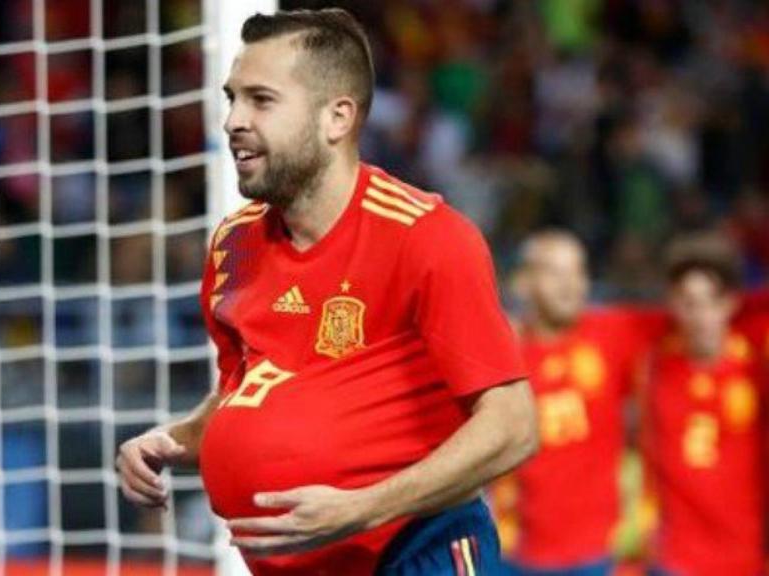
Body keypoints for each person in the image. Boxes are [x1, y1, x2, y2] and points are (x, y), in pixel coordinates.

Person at [116, 8, 537, 575]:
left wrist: (363, 509)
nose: (234, 120)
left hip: (414, 552)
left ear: (337, 117)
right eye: (232, 98)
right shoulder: (233, 245)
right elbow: (251, 389)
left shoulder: (428, 237)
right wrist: (172, 439)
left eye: (261, 101)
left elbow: (512, 427)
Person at [493, 231, 665, 576]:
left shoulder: (613, 332)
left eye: (579, 272)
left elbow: (712, 312)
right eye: (555, 272)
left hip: (603, 553)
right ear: (523, 283)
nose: (571, 284)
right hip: (518, 552)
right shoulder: (500, 352)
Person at [638, 235, 766, 576]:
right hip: (674, 557)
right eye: (689, 302)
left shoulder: (755, 365)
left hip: (745, 554)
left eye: (712, 301)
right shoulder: (654, 362)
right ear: (674, 305)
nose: (701, 315)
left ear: (731, 303)